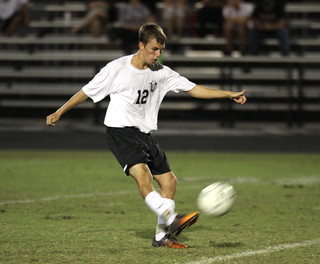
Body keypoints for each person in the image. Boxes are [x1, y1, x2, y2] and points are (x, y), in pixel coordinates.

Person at [46, 23, 247, 248]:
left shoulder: (162, 72)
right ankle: (172, 219)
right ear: (141, 45)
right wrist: (60, 111)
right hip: (120, 130)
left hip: (144, 133)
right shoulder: (117, 68)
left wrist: (226, 94)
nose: (158, 54)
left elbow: (193, 89)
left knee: (169, 181)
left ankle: (162, 237)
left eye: (161, 50)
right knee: (143, 175)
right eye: (153, 49)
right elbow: (87, 91)